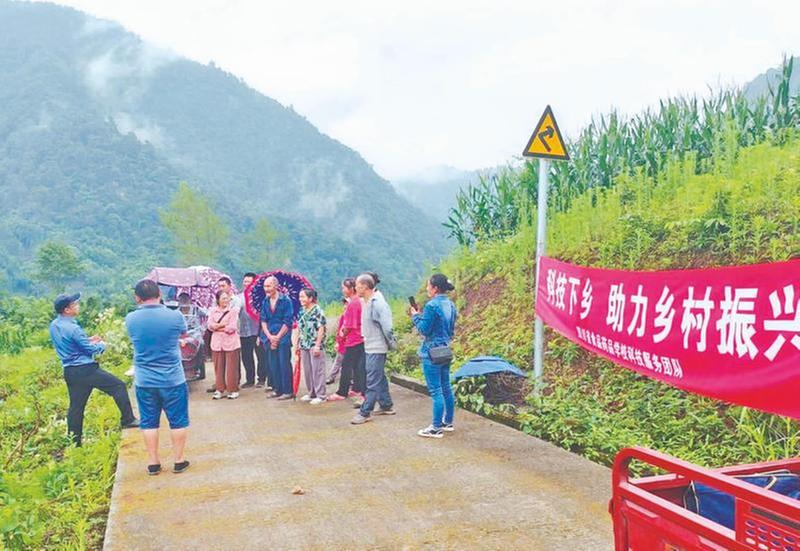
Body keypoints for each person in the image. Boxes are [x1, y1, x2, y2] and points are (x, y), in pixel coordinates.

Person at [49, 293, 138, 447]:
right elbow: (90, 350)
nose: (78, 306)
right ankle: (128, 419)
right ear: (67, 310)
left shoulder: (55, 325)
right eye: (74, 304)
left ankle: (74, 442)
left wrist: (88, 340)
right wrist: (102, 345)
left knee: (76, 407)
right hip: (86, 369)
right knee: (118, 386)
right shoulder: (73, 328)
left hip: (70, 371)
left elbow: (71, 344)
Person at [125, 279, 190, 475]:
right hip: (173, 379)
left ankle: (153, 463)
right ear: (159, 295)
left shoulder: (130, 319)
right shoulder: (175, 316)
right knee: (178, 420)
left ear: (137, 298)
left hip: (145, 380)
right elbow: (183, 335)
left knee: (149, 422)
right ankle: (178, 461)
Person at [410, 274, 458, 439]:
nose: (427, 289)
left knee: (436, 390)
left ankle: (436, 427)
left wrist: (415, 316)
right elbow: (451, 330)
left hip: (432, 352)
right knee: (446, 387)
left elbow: (424, 329)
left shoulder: (431, 306)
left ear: (435, 288)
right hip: (445, 349)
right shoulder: (450, 305)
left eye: (428, 286)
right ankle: (448, 422)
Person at [351, 274, 396, 425]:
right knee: (378, 376)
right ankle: (386, 404)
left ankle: (365, 412)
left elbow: (388, 327)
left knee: (372, 380)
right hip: (370, 345)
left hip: (377, 347)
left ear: (364, 286)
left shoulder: (378, 303)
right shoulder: (366, 301)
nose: (355, 287)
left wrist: (390, 343)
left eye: (357, 285)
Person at [329, 278, 366, 401]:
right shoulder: (359, 301)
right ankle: (356, 388)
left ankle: (342, 392)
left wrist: (342, 336)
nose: (343, 290)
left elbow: (349, 325)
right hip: (360, 338)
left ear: (351, 289)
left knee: (346, 365)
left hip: (353, 339)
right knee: (357, 366)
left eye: (344, 288)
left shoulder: (353, 303)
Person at [260, 276, 294, 400]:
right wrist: (269, 336)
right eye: (265, 286)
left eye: (268, 286)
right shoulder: (265, 301)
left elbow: (288, 321)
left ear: (276, 286)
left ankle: (288, 391)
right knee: (273, 363)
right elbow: (263, 320)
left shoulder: (286, 300)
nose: (266, 289)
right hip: (269, 335)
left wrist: (277, 337)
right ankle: (277, 389)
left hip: (283, 335)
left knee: (283, 363)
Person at [208, 290, 241, 399]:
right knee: (218, 367)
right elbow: (209, 326)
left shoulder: (234, 310)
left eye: (227, 298)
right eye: (223, 298)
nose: (225, 300)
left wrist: (217, 327)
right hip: (217, 343)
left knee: (232, 367)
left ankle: (233, 389)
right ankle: (219, 389)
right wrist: (222, 325)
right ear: (218, 300)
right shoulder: (213, 311)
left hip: (231, 342)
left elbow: (232, 328)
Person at [297, 288, 327, 404]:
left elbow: (321, 328)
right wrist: (297, 344)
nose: (301, 299)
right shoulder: (302, 310)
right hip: (304, 343)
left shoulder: (318, 311)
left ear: (310, 298)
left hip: (314, 344)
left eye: (303, 297)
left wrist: (317, 345)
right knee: (308, 370)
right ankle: (311, 392)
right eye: (300, 297)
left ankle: (321, 395)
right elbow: (299, 327)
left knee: (317, 370)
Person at [238, 272, 267, 388]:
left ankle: (261, 378)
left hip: (257, 331)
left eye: (249, 282)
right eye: (245, 282)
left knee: (261, 356)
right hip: (244, 331)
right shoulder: (238, 297)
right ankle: (250, 379)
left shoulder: (260, 298)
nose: (246, 284)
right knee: (246, 356)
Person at [325, 298, 347, 385]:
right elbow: (339, 330)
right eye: (344, 305)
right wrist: (337, 342)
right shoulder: (343, 317)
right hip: (342, 342)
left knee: (349, 363)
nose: (345, 306)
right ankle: (332, 377)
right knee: (338, 360)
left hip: (350, 343)